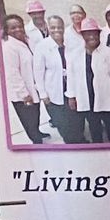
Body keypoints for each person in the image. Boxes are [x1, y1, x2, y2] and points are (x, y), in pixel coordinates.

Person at [67, 18, 110, 143]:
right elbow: (72, 77)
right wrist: (71, 96)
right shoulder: (75, 54)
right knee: (95, 132)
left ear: (99, 34)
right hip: (87, 99)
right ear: (82, 35)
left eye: (94, 33)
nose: (91, 36)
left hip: (106, 98)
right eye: (87, 33)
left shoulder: (109, 52)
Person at [33, 14, 78, 144]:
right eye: (53, 28)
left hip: (70, 90)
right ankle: (70, 143)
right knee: (62, 122)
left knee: (74, 119)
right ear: (48, 27)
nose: (57, 30)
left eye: (59, 27)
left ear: (64, 28)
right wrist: (43, 94)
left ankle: (79, 140)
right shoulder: (42, 46)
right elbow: (38, 72)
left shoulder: (69, 43)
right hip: (53, 92)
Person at [1, 13, 43, 144]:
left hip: (33, 87)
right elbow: (12, 73)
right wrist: (24, 94)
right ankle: (36, 141)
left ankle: (37, 132)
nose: (17, 30)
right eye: (13, 28)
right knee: (28, 118)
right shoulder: (8, 47)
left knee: (35, 113)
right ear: (6, 30)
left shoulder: (26, 39)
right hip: (22, 93)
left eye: (19, 26)